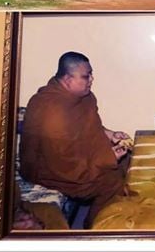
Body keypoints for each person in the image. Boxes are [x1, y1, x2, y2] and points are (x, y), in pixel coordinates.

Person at [19, 51, 130, 228]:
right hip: (49, 169)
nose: (92, 79)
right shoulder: (51, 112)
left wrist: (110, 134)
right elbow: (64, 164)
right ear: (67, 79)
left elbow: (91, 126)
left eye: (91, 74)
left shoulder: (82, 97)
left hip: (73, 156)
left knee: (128, 162)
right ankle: (95, 229)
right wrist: (108, 158)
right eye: (86, 76)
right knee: (112, 182)